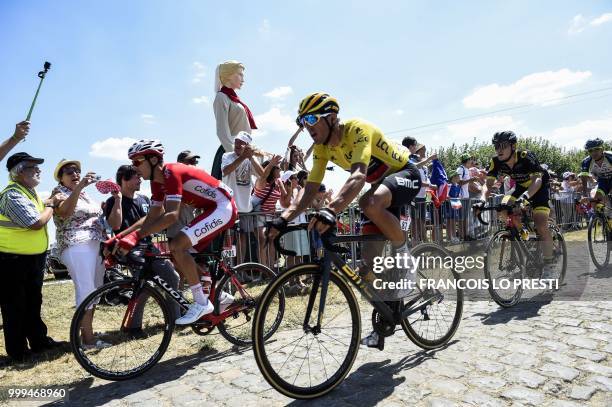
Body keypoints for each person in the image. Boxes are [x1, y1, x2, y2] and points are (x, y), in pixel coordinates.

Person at [267, 93, 421, 349]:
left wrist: (332, 210)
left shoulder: (357, 130)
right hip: (381, 188)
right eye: (303, 121)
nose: (308, 126)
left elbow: (358, 176)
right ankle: (385, 318)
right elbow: (308, 191)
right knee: (368, 268)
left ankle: (404, 257)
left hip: (405, 174)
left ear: (332, 118)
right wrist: (282, 219)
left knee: (367, 203)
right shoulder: (321, 148)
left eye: (313, 119)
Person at [112, 140, 237, 325]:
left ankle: (202, 303)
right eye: (132, 162)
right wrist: (121, 236)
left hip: (223, 206)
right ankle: (220, 295)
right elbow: (152, 217)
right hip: (209, 209)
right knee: (183, 255)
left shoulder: (171, 173)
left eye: (137, 161)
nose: (134, 167)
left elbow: (171, 216)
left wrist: (135, 237)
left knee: (177, 245)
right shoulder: (157, 183)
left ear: (154, 159)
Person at [0, 153, 64, 364]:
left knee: (32, 302)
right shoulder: (12, 195)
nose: (38, 170)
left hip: (30, 259)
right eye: (32, 167)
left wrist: (48, 202)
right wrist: (52, 205)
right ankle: (18, 352)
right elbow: (35, 222)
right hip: (12, 260)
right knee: (15, 306)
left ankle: (39, 341)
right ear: (18, 172)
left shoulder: (28, 193)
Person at [104, 165, 180, 323]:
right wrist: (117, 199)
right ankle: (133, 326)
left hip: (150, 247)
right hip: (129, 249)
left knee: (172, 277)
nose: (140, 179)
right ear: (124, 180)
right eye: (135, 177)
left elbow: (160, 216)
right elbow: (115, 226)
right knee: (145, 286)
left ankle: (175, 318)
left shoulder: (145, 199)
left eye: (140, 176)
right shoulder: (113, 200)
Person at [52, 159, 109, 349]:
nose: (74, 174)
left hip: (96, 245)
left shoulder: (86, 195)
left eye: (77, 170)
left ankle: (87, 333)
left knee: (95, 290)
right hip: (76, 245)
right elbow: (65, 212)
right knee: (86, 290)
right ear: (61, 179)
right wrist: (80, 187)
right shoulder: (59, 193)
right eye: (68, 171)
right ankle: (88, 340)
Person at [483, 131, 555, 278]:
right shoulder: (496, 161)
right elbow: (488, 184)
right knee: (503, 207)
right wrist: (482, 198)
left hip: (539, 186)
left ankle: (549, 265)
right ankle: (522, 233)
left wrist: (525, 198)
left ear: (513, 146)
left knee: (540, 223)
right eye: (496, 146)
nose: (499, 150)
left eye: (503, 146)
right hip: (521, 186)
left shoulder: (525, 156)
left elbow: (537, 180)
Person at [221, 131, 264, 262]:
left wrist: (250, 157)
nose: (238, 144)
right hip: (229, 206)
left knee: (242, 240)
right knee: (227, 240)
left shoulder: (251, 159)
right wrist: (242, 157)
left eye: (242, 143)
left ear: (247, 146)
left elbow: (262, 176)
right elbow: (225, 170)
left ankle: (239, 270)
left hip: (245, 208)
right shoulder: (227, 155)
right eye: (236, 141)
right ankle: (225, 271)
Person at [212, 61, 257, 181]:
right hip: (231, 152)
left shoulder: (234, 99)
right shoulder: (221, 97)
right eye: (240, 74)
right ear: (228, 75)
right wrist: (235, 156)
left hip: (242, 152)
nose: (243, 79)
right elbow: (222, 132)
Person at [253, 155, 290, 268]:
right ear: (272, 170)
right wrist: (271, 164)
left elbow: (284, 200)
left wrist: (290, 188)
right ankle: (263, 269)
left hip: (271, 215)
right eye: (277, 167)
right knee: (263, 241)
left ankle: (271, 267)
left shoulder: (278, 182)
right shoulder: (262, 182)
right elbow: (263, 176)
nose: (280, 170)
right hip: (258, 214)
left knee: (272, 240)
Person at [166, 151, 202, 240]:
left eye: (195, 162)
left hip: (192, 233)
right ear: (180, 163)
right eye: (191, 162)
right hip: (176, 232)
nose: (193, 165)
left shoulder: (196, 183)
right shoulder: (171, 180)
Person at [579, 138, 612, 208]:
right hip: (603, 182)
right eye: (590, 150)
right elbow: (584, 178)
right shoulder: (586, 162)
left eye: (597, 149)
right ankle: (601, 218)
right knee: (594, 201)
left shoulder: (610, 156)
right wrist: (584, 194)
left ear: (602, 149)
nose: (594, 153)